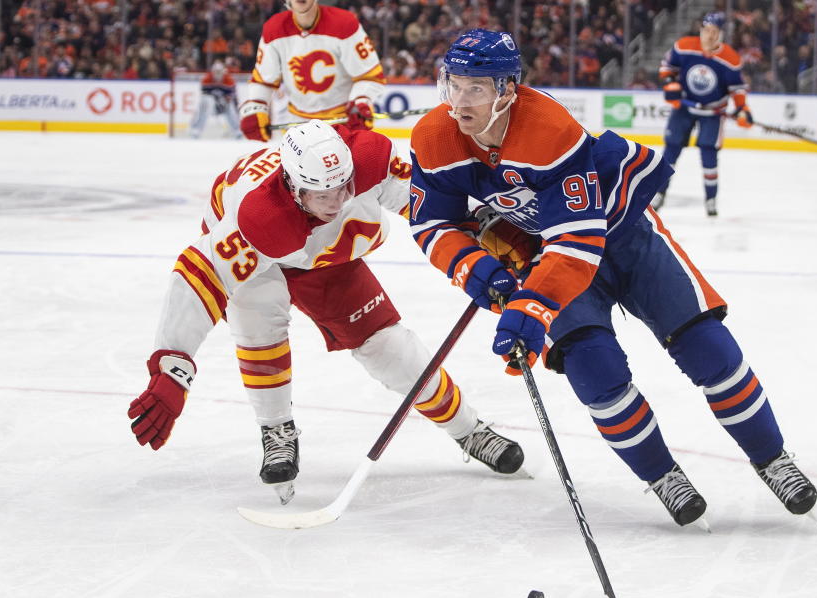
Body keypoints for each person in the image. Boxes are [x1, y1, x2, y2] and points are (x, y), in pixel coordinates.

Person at [407, 28, 817, 528]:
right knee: (595, 374)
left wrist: (531, 306)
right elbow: (432, 222)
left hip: (622, 237)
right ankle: (662, 474)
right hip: (548, 253)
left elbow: (578, 245)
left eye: (477, 87)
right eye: (454, 84)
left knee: (709, 349)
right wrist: (477, 269)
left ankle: (772, 458)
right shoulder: (433, 137)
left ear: (507, 90)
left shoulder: (546, 129)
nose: (460, 100)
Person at [128, 120, 525, 504]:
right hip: (261, 256)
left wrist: (483, 226)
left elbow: (429, 203)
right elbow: (198, 276)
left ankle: (469, 430)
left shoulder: (368, 161)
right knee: (260, 332)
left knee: (390, 349)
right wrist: (172, 365)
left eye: (344, 188)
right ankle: (276, 429)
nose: (337, 203)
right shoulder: (260, 220)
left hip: (326, 260)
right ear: (294, 189)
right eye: (323, 195)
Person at [239, 0, 385, 142]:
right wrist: (256, 107)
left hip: (344, 124)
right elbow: (263, 80)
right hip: (298, 127)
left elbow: (371, 76)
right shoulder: (273, 28)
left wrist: (360, 101)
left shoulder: (345, 23)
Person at [652, 12, 753, 218]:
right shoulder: (684, 46)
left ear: (721, 34)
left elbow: (737, 89)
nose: (710, 35)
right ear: (701, 31)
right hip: (684, 108)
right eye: (706, 31)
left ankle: (711, 199)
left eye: (714, 32)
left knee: (709, 154)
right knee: (671, 150)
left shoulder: (730, 59)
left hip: (712, 112)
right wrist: (670, 84)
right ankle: (659, 193)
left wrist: (743, 108)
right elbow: (667, 67)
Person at [189, 60, 241, 139]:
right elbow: (204, 96)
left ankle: (237, 130)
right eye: (216, 72)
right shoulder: (206, 79)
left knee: (230, 107)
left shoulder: (229, 80)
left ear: (223, 72)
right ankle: (196, 129)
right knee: (205, 104)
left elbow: (232, 96)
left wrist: (225, 100)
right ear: (212, 71)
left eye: (219, 72)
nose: (217, 74)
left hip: (223, 104)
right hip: (210, 105)